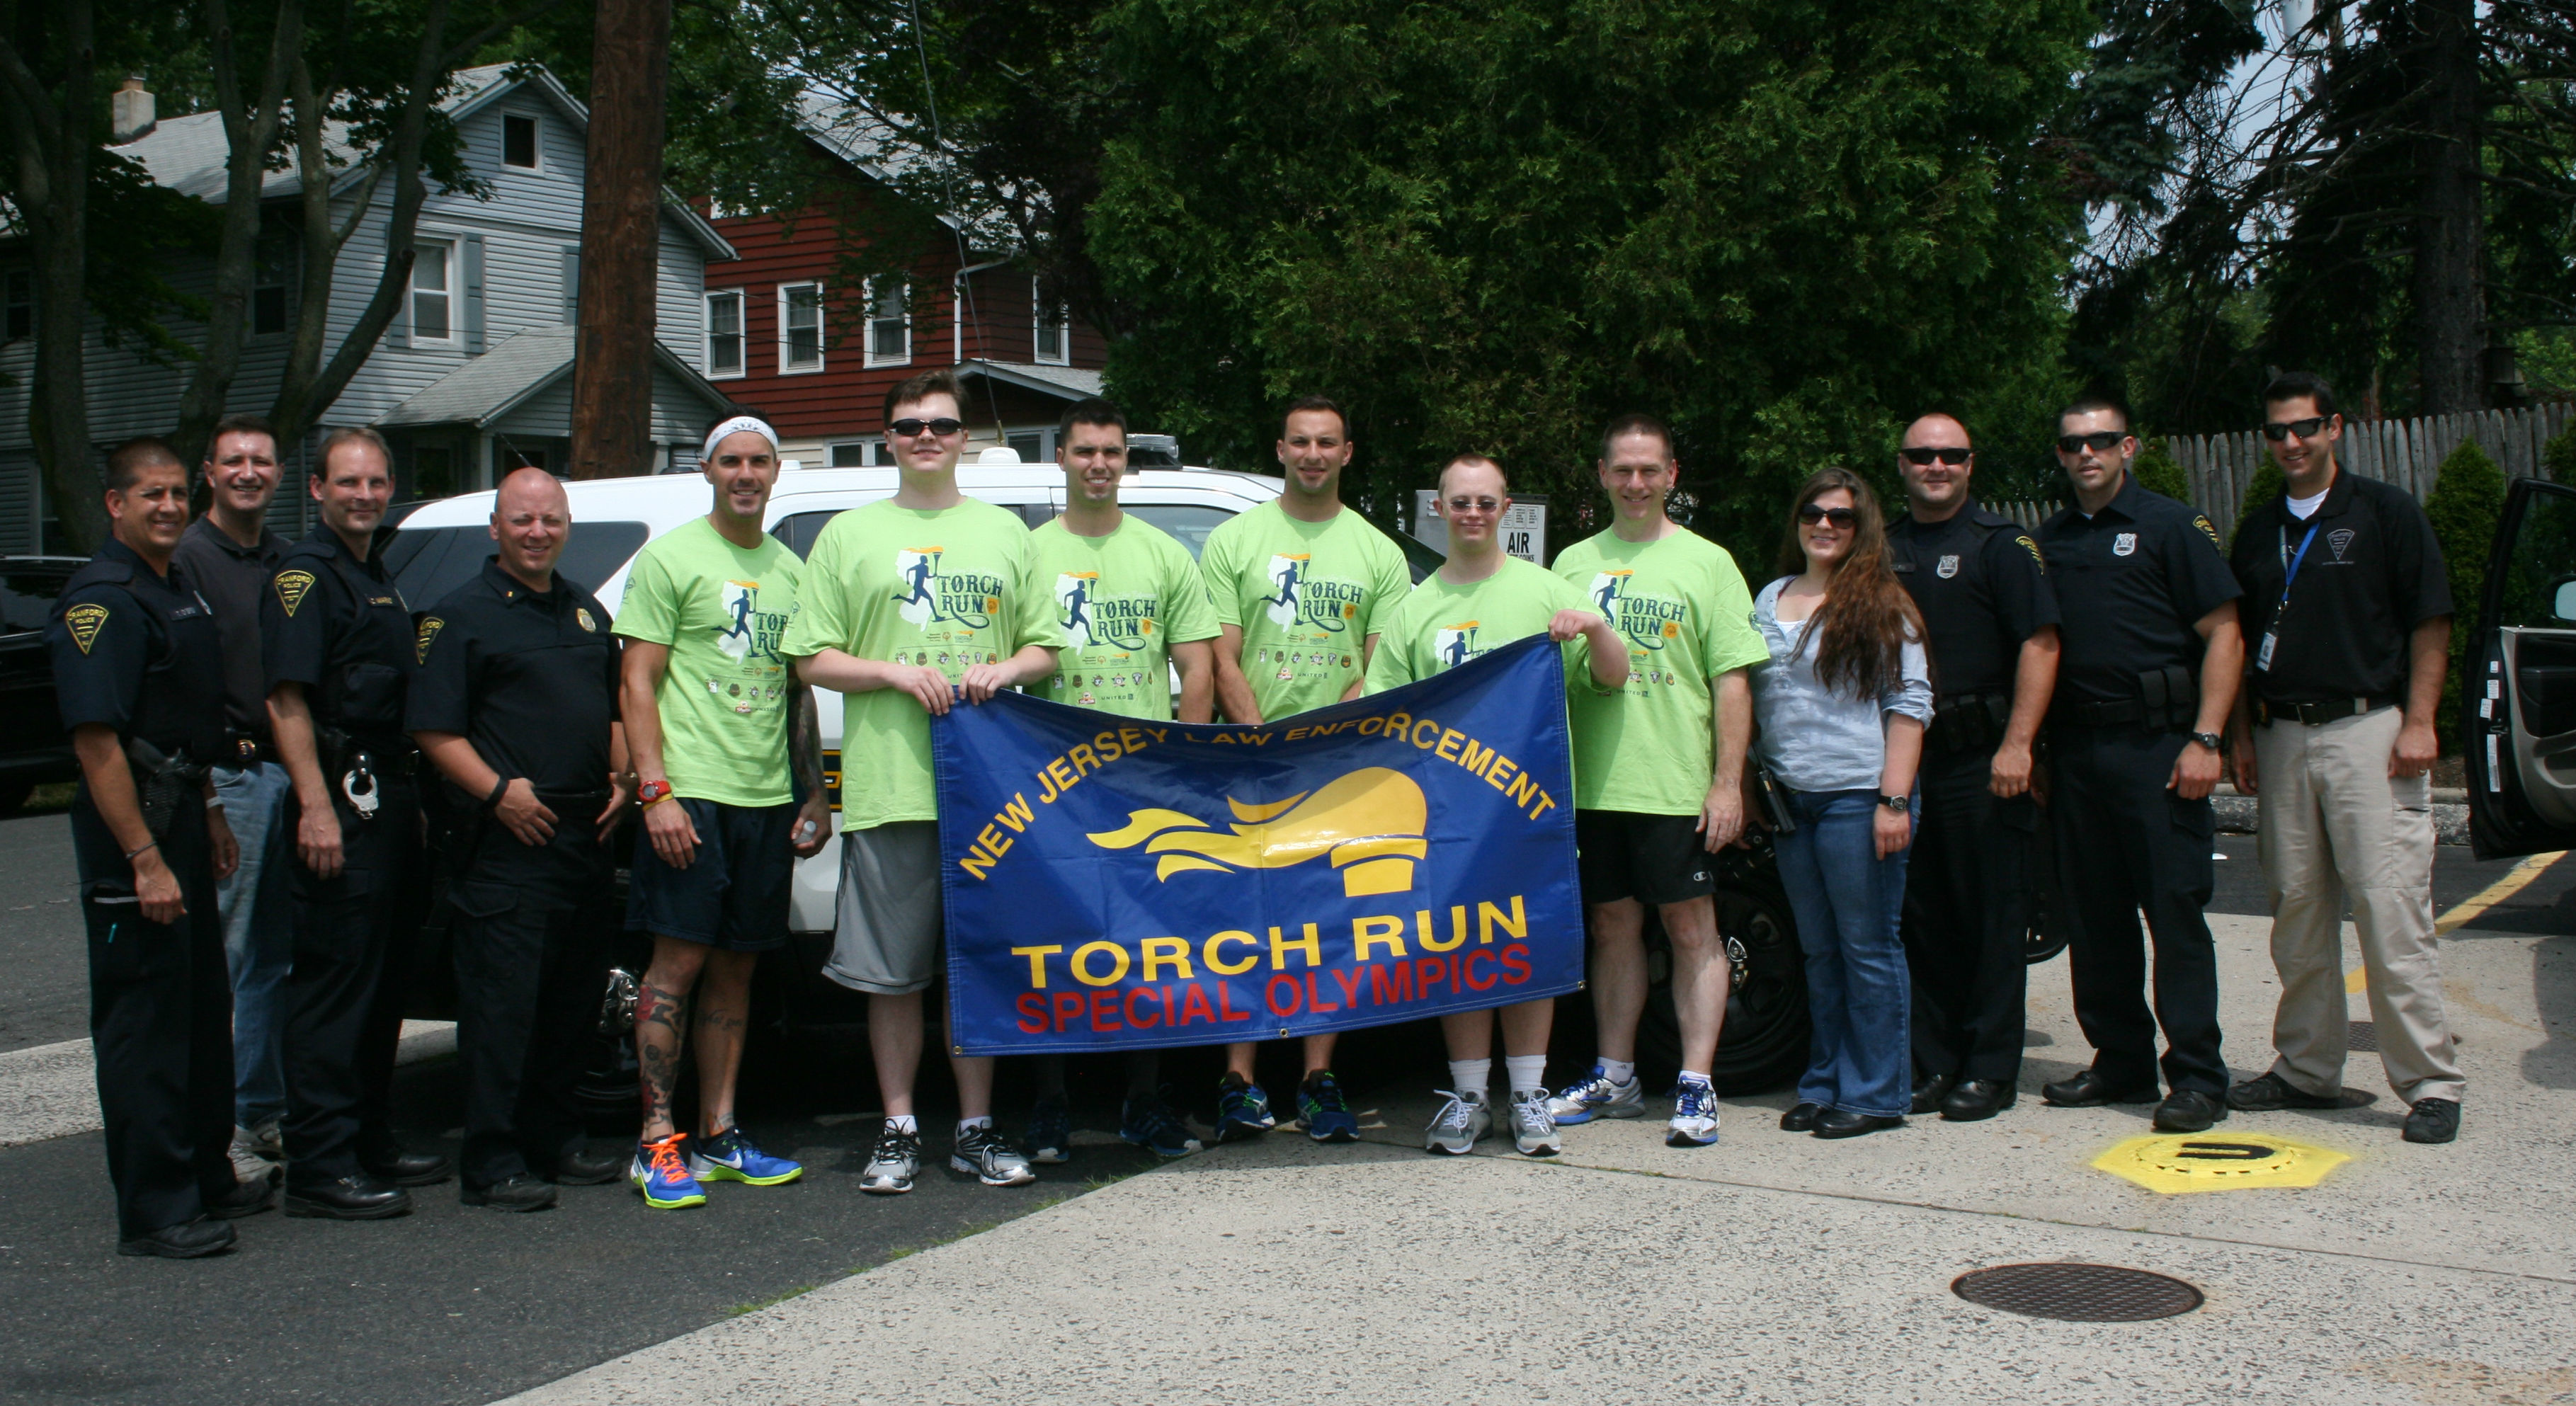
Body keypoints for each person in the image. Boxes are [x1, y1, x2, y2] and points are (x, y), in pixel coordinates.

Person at [782, 372, 1064, 1195]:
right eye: (908, 427)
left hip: (994, 792)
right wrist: (892, 674)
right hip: (891, 785)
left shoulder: (1008, 533)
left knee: (976, 965)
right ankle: (900, 1127)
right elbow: (809, 657)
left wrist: (1004, 666)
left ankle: (976, 1128)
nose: (926, 438)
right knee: (893, 974)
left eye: (940, 425)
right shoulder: (846, 536)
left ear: (963, 438)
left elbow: (1046, 647)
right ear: (888, 440)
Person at [2224, 372, 2463, 1145]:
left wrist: (2419, 722)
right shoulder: (2257, 533)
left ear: (2334, 429)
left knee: (2390, 911)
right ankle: (2305, 1069)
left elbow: (2429, 621)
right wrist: (2236, 737)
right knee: (2297, 911)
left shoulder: (2384, 515)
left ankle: (2428, 1081)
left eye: (2305, 428)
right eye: (2276, 431)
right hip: (2281, 733)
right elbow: (2232, 644)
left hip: (2370, 732)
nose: (2291, 443)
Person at [1365, 455, 1626, 1156]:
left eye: (1484, 502)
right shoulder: (1414, 608)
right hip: (1444, 820)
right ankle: (1469, 1095)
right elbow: (1382, 712)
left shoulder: (1546, 592)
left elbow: (1612, 677)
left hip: (1525, 812)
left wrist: (1595, 630)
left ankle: (1531, 1095)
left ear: (1505, 508)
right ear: (1438, 509)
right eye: (1460, 503)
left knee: (1523, 944)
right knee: (1455, 949)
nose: (1472, 514)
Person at [50, 438, 265, 1257]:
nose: (170, 507)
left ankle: (206, 1172)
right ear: (116, 504)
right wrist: (142, 858)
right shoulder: (101, 601)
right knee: (144, 1026)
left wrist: (208, 814)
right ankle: (156, 1210)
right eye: (152, 496)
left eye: (179, 493)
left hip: (179, 813)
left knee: (201, 1010)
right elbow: (99, 743)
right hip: (128, 833)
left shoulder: (172, 586)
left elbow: (183, 723)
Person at [615, 416, 829, 1211]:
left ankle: (719, 1131)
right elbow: (637, 680)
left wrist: (811, 790)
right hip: (693, 795)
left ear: (777, 473)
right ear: (708, 469)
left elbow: (798, 689)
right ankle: (656, 1141)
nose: (745, 474)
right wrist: (656, 791)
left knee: (738, 969)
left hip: (765, 796)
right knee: (676, 966)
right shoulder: (671, 556)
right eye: (731, 461)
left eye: (759, 462)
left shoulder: (789, 568)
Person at [410, 469, 636, 1210]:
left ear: (566, 525)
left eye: (550, 519)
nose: (537, 532)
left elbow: (609, 709)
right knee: (502, 1009)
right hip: (508, 838)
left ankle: (555, 1138)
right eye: (522, 520)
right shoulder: (459, 616)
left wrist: (621, 777)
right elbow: (434, 730)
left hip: (583, 834)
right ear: (495, 529)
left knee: (571, 1003)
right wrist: (498, 793)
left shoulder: (581, 612)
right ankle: (492, 1159)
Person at [1544, 415, 1769, 1148]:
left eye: (1649, 470)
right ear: (1602, 475)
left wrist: (1726, 784)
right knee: (1611, 927)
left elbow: (1730, 682)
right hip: (1592, 786)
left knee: (1690, 930)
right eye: (1622, 470)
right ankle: (1614, 1075)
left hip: (1673, 784)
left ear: (1671, 475)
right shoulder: (1571, 562)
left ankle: (1696, 1085)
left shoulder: (1708, 563)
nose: (1635, 483)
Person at [1197, 396, 1413, 1143]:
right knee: (1245, 917)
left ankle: (1318, 1078)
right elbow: (1219, 651)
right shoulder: (1233, 540)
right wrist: (1256, 733)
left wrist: (1325, 739)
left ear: (1346, 452)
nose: (1313, 454)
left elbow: (1380, 665)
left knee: (1327, 923)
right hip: (1249, 762)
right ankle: (1238, 1082)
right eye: (1300, 442)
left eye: (1327, 443)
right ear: (1280, 450)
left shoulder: (1377, 552)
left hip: (1337, 767)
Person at [2034, 397, 2245, 1134]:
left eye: (2099, 441)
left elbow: (2223, 635)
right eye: (2071, 444)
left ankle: (2194, 1075)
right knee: (2094, 919)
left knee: (2173, 914)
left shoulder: (2170, 526)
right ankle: (2118, 1059)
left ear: (2129, 447)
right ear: (2058, 456)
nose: (2085, 454)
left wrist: (2207, 740)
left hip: (2158, 748)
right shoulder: (2049, 540)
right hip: (2078, 752)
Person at [1022, 399, 1219, 1162]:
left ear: (1124, 460)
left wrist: (1182, 764)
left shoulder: (1161, 554)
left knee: (1147, 946)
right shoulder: (1027, 553)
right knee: (1052, 945)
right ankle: (1049, 1108)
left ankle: (1144, 1103)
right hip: (1046, 785)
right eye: (1084, 452)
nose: (1098, 464)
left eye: (1110, 452)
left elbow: (1195, 664)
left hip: (1138, 784)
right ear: (1063, 460)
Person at [263, 427, 448, 1218]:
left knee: (380, 985)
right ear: (317, 489)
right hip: (340, 797)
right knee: (334, 986)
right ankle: (319, 1163)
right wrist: (314, 806)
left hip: (388, 798)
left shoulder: (373, 574)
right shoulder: (304, 578)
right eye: (349, 482)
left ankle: (368, 1137)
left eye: (376, 482)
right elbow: (286, 700)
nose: (364, 495)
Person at [1885, 414, 2061, 1121]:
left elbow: (2040, 646)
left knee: (1990, 918)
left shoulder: (2001, 547)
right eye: (1922, 455)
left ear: (1969, 463)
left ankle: (1988, 1069)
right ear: (1901, 465)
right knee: (1919, 917)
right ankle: (1932, 1063)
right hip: (1903, 760)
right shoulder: (1881, 546)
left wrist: (2017, 743)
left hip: (1980, 758)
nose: (1935, 465)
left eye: (1949, 455)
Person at [1750, 468, 1932, 1140]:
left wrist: (1893, 800)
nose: (1825, 526)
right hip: (1793, 801)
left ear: (1863, 529)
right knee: (1819, 951)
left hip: (1861, 796)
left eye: (1842, 517)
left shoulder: (1887, 604)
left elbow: (1910, 707)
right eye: (1813, 513)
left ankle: (1879, 1093)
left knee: (1867, 948)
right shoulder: (1769, 597)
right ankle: (1825, 1083)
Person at [169, 415, 295, 1181]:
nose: (249, 472)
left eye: (262, 461)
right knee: (227, 952)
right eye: (234, 462)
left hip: (290, 770)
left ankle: (259, 1109)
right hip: (232, 774)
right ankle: (213, 1126)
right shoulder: (187, 558)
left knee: (274, 957)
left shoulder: (285, 558)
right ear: (209, 474)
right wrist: (210, 789)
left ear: (279, 474)